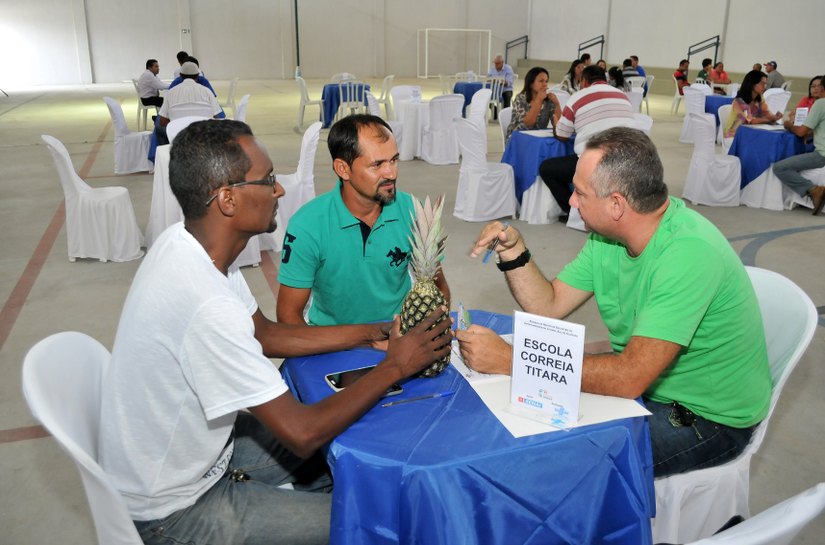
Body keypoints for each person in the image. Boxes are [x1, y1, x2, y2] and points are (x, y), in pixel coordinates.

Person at [98, 119, 452, 544]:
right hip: (175, 509)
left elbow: (264, 333)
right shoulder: (205, 304)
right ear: (228, 198)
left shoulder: (186, 245)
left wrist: (369, 332)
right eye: (267, 180)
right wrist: (395, 366)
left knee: (351, 471)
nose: (279, 189)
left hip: (204, 454)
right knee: (377, 521)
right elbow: (302, 433)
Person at [458, 127, 771, 478]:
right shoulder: (608, 239)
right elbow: (548, 305)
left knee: (558, 466)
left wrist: (509, 360)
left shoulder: (688, 254)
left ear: (617, 204)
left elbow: (629, 378)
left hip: (706, 417)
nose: (572, 202)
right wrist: (514, 252)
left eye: (579, 193)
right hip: (650, 387)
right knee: (526, 426)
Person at [277, 114, 450, 326]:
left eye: (394, 160)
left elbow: (438, 286)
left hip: (398, 335)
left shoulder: (413, 211)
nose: (391, 173)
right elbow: (288, 316)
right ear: (343, 169)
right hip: (332, 341)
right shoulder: (307, 225)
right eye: (377, 165)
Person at [538, 65, 634, 218]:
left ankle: (574, 212)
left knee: (547, 168)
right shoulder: (622, 96)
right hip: (627, 161)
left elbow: (562, 135)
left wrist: (557, 122)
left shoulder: (578, 96)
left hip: (596, 164)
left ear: (584, 80)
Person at [773, 97, 825, 215]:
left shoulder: (821, 103)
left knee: (780, 168)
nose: (815, 90)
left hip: (822, 155)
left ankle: (814, 190)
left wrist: (788, 125)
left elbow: (801, 132)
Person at [155, 61, 223, 145]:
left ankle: (165, 153)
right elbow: (217, 117)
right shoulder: (207, 91)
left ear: (180, 75)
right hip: (202, 133)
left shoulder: (171, 92)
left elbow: (162, 121)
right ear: (198, 75)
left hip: (178, 134)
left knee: (158, 128)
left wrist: (177, 122)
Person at [504, 66, 561, 143]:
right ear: (531, 83)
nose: (545, 84)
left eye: (546, 81)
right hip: (518, 139)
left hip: (538, 138)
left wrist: (557, 104)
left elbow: (558, 123)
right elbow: (527, 124)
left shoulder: (548, 100)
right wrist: (538, 101)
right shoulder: (521, 98)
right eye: (541, 81)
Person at [724, 70, 783, 138]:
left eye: (765, 84)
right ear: (752, 84)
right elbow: (749, 120)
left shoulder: (760, 98)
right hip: (734, 134)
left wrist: (774, 117)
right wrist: (768, 120)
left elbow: (766, 113)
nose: (764, 87)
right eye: (762, 83)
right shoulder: (739, 101)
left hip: (749, 131)